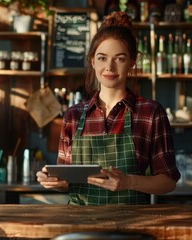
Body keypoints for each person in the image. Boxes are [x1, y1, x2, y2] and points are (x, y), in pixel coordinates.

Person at [36, 11, 181, 205]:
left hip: (132, 226)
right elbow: (65, 181)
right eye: (102, 58)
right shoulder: (74, 116)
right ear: (93, 61)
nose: (110, 68)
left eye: (119, 58)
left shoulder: (150, 113)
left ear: (132, 62)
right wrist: (52, 180)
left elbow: (168, 182)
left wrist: (129, 181)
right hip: (82, 226)